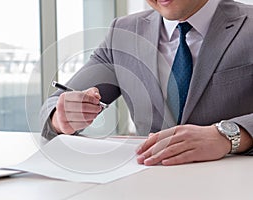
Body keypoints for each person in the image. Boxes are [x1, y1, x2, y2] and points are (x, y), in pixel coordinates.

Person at [40, 0, 253, 166]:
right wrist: (62, 117)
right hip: (149, 182)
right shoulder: (124, 32)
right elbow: (52, 106)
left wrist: (228, 136)